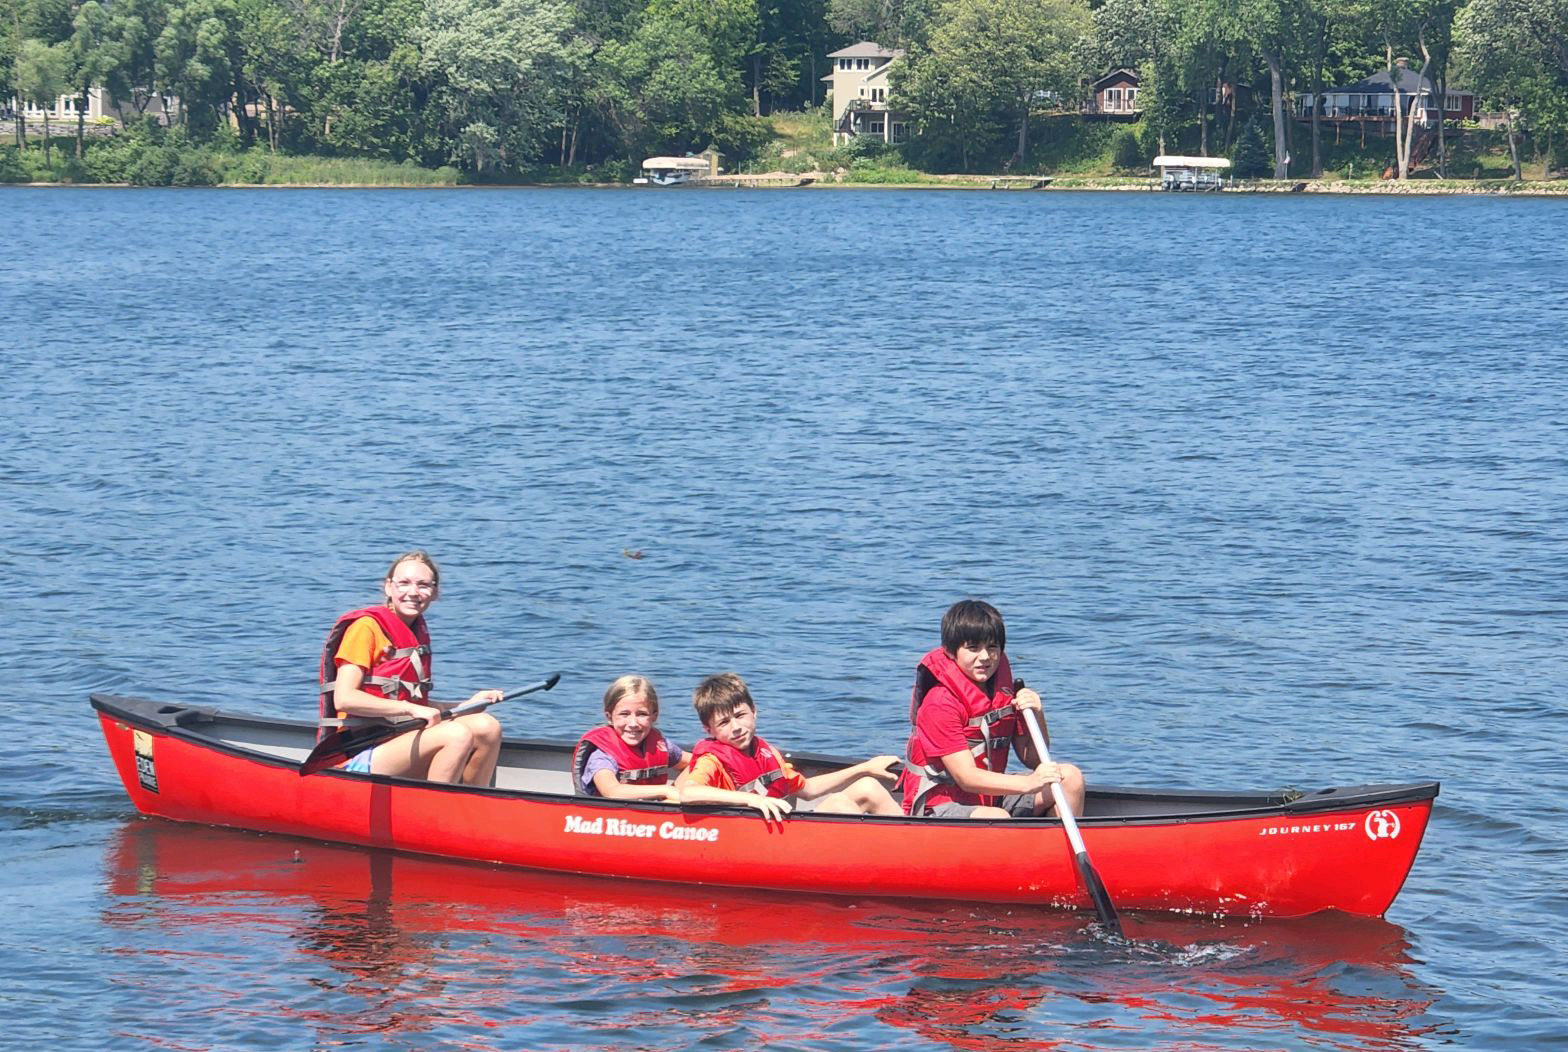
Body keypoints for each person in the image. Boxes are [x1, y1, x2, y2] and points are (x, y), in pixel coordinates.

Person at [318, 551, 504, 784]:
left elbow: (420, 707)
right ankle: (433, 812)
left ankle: (472, 807)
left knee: (487, 727)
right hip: (357, 753)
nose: (413, 592)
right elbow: (344, 699)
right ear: (388, 587)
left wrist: (467, 705)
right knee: (456, 734)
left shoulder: (414, 633)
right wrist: (409, 709)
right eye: (404, 583)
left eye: (423, 585)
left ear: (434, 592)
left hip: (400, 738)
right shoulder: (365, 629)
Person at [902, 599, 1086, 819]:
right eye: (973, 648)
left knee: (1070, 778)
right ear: (951, 652)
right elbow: (966, 777)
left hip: (988, 797)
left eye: (992, 647)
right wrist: (1028, 783)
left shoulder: (1004, 692)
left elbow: (1034, 759)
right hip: (939, 805)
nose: (985, 657)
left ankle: (1055, 852)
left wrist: (1037, 714)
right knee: (996, 817)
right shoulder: (940, 703)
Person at [676, 673, 902, 819]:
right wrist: (752, 799)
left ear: (754, 712)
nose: (736, 727)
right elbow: (688, 792)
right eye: (724, 723)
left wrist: (864, 768)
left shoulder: (765, 752)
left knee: (867, 785)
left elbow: (808, 790)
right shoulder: (712, 760)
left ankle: (909, 851)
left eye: (740, 715)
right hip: (755, 840)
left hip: (781, 831)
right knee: (838, 805)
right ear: (709, 730)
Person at [572, 675, 688, 802]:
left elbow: (699, 762)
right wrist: (665, 790)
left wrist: (677, 791)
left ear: (654, 716)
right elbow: (611, 791)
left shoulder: (662, 746)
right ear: (609, 716)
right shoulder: (602, 757)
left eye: (642, 714)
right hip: (611, 819)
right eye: (624, 714)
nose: (633, 723)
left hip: (655, 815)